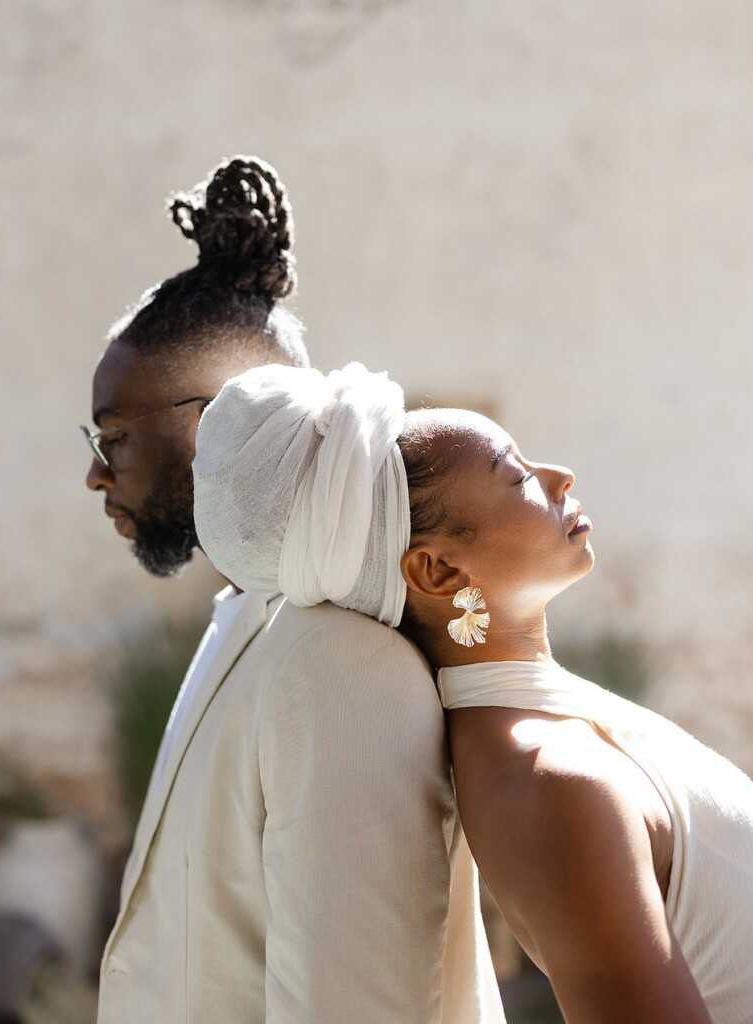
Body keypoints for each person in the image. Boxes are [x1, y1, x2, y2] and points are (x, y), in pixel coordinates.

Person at [193, 361, 753, 1024]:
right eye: (517, 474)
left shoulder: (552, 728)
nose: (560, 477)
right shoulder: (545, 779)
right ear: (437, 570)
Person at [82, 158, 504, 1023]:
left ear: (220, 421)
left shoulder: (337, 662)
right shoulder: (244, 621)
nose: (95, 474)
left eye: (115, 437)